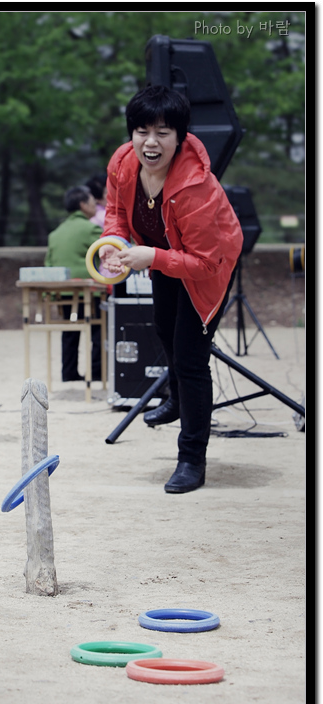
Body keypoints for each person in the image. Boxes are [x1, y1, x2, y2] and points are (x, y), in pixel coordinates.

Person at [99, 85, 243, 494]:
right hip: (163, 255)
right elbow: (115, 213)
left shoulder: (196, 187)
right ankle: (178, 400)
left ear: (180, 137)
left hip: (208, 265)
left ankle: (192, 459)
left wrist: (152, 257)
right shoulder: (122, 162)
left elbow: (205, 263)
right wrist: (113, 244)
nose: (151, 142)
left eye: (163, 132)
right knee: (164, 329)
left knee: (191, 358)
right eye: (142, 131)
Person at [44, 186, 103, 381]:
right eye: (93, 202)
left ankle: (68, 372)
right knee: (98, 329)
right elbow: (107, 248)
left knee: (70, 330)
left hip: (63, 290)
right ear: (83, 205)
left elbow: (49, 262)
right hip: (89, 290)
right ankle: (96, 372)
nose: (96, 205)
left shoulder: (55, 233)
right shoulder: (90, 229)